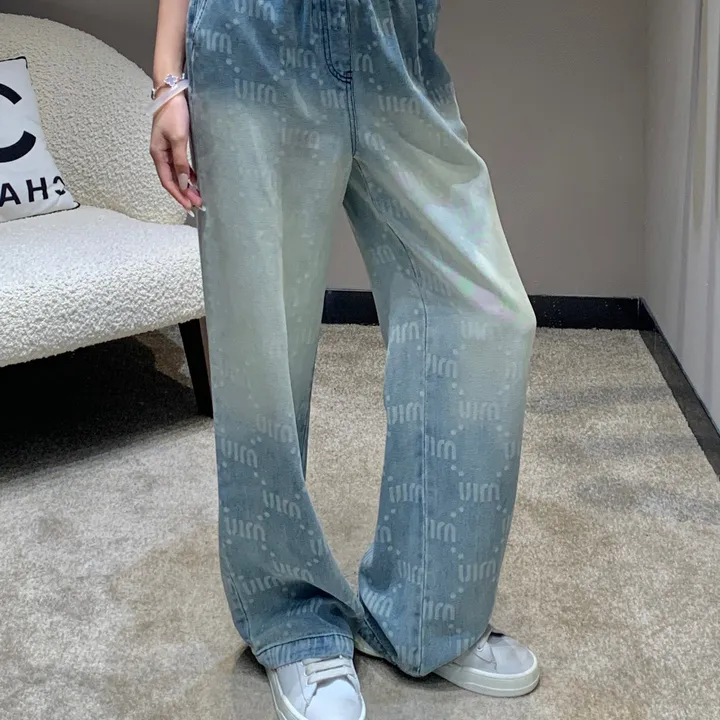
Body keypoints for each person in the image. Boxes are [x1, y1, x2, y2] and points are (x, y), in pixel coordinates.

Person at [150, 1, 539, 718]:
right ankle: (292, 620)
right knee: (261, 348)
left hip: (395, 41)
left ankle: (431, 612)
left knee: (487, 315)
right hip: (254, 42)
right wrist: (167, 76)